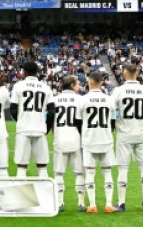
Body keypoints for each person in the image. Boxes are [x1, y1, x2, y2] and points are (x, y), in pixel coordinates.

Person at [112, 63, 143, 212]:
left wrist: (118, 127)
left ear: (124, 74)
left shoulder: (118, 91)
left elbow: (111, 113)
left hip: (124, 135)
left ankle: (121, 203)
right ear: (137, 73)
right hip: (141, 134)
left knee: (123, 168)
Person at [79, 71, 116, 213]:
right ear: (101, 83)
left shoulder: (83, 100)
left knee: (90, 173)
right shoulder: (109, 100)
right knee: (107, 172)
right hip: (105, 139)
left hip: (89, 140)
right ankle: (109, 204)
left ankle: (93, 205)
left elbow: (78, 121)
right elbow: (112, 122)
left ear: (89, 83)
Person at [10, 61, 53, 179]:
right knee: (42, 167)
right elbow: (52, 112)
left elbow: (13, 109)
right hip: (40, 129)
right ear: (37, 72)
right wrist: (47, 127)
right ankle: (45, 190)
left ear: (24, 72)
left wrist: (21, 120)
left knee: (21, 167)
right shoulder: (45, 87)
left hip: (23, 130)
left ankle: (21, 190)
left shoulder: (18, 86)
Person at [50, 75, 85, 212]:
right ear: (71, 85)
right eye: (77, 84)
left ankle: (60, 203)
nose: (79, 86)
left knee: (59, 173)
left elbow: (51, 120)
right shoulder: (81, 99)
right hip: (76, 138)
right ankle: (81, 203)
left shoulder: (54, 99)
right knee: (79, 173)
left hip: (60, 138)